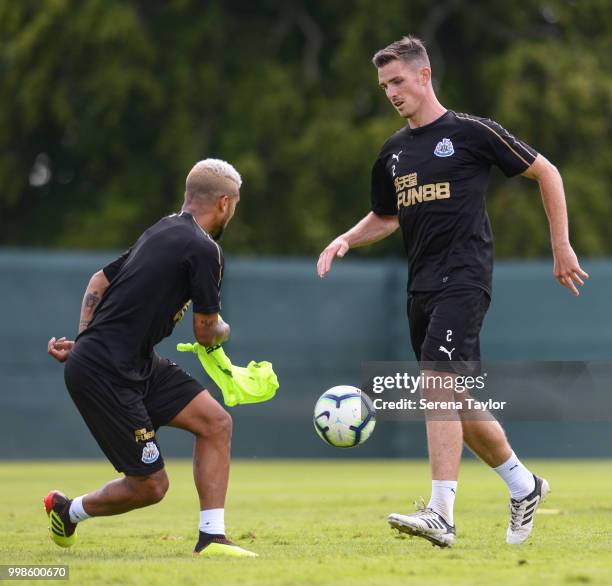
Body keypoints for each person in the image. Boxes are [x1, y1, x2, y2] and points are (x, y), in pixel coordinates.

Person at [317, 36, 589, 548]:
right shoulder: (393, 152)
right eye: (383, 86)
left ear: (425, 76)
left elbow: (546, 171)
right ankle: (523, 484)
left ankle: (442, 512)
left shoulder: (471, 133)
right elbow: (386, 216)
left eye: (398, 81)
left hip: (464, 278)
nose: (391, 92)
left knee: (436, 381)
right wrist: (347, 237)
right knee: (456, 400)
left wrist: (561, 246)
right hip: (419, 287)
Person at [46, 158, 257, 557]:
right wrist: (225, 330)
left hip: (135, 361)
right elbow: (206, 330)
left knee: (215, 423)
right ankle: (66, 509)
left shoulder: (163, 228)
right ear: (225, 204)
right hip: (105, 372)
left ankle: (212, 537)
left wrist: (85, 338)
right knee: (151, 486)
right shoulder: (204, 249)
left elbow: (100, 280)